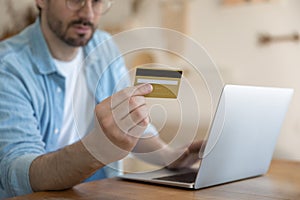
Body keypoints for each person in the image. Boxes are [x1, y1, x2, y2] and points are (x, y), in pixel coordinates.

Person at [0, 0, 201, 198]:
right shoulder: (8, 67)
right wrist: (98, 148)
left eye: (97, 2)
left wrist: (170, 157)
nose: (87, 13)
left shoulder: (103, 47)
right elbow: (19, 173)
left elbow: (129, 126)